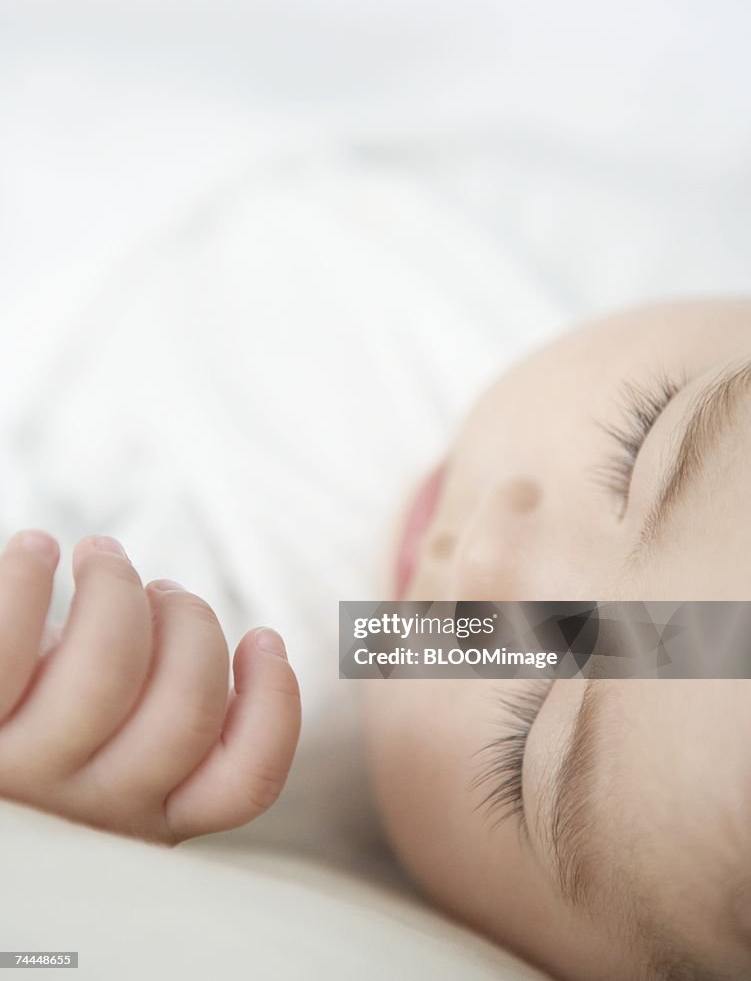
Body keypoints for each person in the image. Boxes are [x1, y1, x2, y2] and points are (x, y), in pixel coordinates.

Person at [0, 297, 749, 981]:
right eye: (641, 446)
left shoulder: (242, 749)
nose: (485, 558)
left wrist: (69, 782)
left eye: (524, 744)